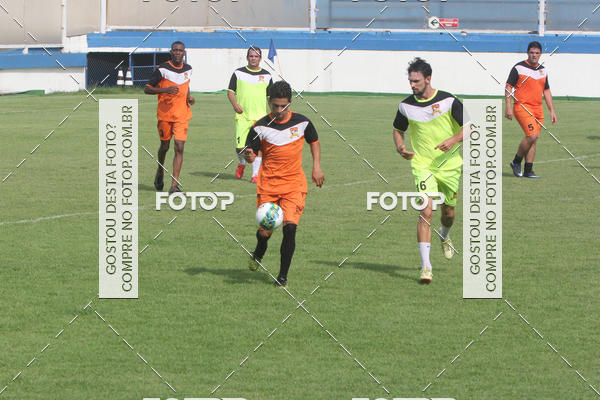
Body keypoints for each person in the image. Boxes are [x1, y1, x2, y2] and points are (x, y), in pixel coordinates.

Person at [244, 80, 324, 287]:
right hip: (268, 187)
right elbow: (251, 155)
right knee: (265, 232)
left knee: (290, 228)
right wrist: (249, 156)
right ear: (269, 102)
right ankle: (259, 250)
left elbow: (314, 142)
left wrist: (316, 167)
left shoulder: (302, 122)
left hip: (294, 185)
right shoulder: (259, 127)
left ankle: (282, 277)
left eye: (283, 106)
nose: (279, 110)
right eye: (275, 106)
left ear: (290, 102)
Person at [392, 57, 464, 283]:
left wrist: (453, 140)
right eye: (410, 81)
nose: (412, 85)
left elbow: (471, 128)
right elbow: (397, 130)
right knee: (425, 211)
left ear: (428, 79)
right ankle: (426, 267)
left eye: (416, 81)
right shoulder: (405, 106)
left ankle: (445, 235)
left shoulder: (449, 101)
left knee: (448, 214)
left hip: (450, 166)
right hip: (423, 166)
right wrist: (400, 147)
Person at [145, 41, 195, 194]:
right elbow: (147, 89)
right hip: (165, 115)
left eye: (181, 50)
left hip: (182, 115)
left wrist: (188, 97)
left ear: (184, 53)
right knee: (165, 147)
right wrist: (165, 90)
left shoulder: (188, 69)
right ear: (171, 52)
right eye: (175, 50)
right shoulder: (162, 69)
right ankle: (160, 170)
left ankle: (174, 186)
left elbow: (186, 85)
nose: (178, 53)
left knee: (179, 147)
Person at [505, 41, 557, 179]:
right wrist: (508, 106)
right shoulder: (518, 68)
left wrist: (552, 110)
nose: (534, 55)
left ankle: (528, 170)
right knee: (532, 135)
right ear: (527, 53)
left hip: (538, 109)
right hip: (522, 107)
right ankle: (516, 162)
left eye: (537, 53)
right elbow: (508, 87)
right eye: (532, 52)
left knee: (534, 139)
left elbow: (546, 91)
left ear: (540, 54)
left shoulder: (543, 70)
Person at [228, 46, 273, 183]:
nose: (253, 58)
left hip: (260, 118)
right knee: (240, 147)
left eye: (256, 56)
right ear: (247, 57)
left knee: (257, 147)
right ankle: (242, 163)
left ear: (260, 58)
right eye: (251, 56)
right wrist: (235, 105)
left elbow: (270, 97)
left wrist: (274, 113)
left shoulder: (267, 75)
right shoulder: (238, 73)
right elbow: (230, 91)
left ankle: (255, 175)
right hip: (242, 117)